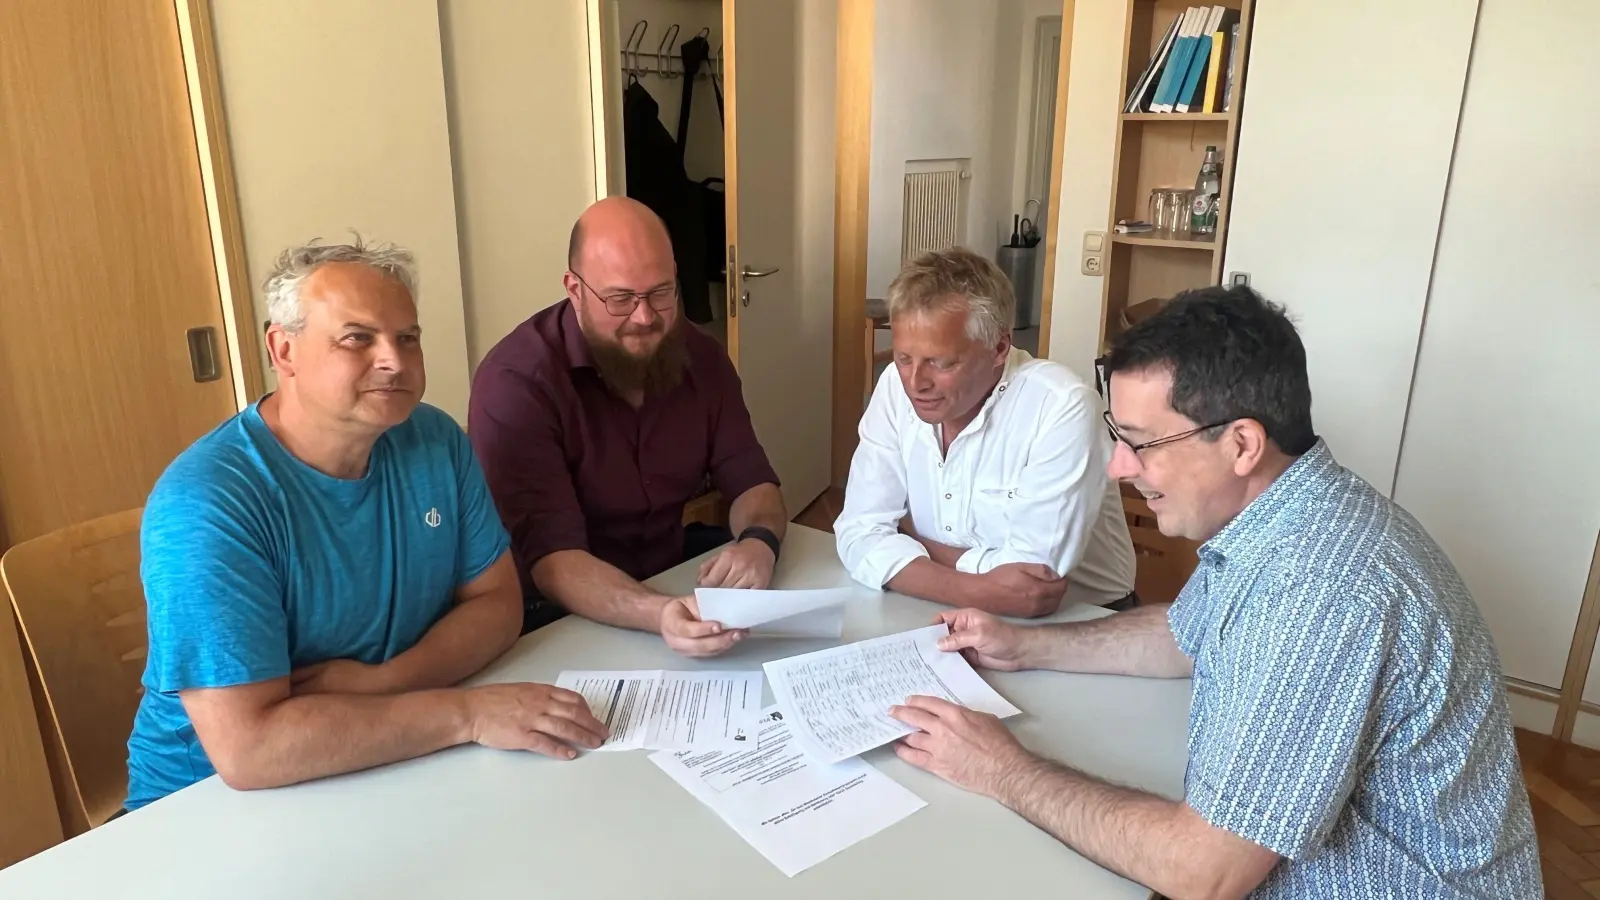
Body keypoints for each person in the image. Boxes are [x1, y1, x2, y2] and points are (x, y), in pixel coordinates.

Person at [887, 286, 1540, 898]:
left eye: (1141, 444)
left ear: (1241, 444)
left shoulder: (1318, 587)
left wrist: (1002, 768)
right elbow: (1186, 633)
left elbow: (1204, 873)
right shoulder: (1289, 514)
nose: (1119, 467)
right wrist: (1025, 646)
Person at [126, 238, 607, 811]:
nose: (394, 362)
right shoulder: (209, 504)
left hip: (389, 752)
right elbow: (252, 750)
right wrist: (469, 714)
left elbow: (498, 604)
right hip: (203, 806)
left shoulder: (435, 440)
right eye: (357, 338)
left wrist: (385, 682)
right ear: (284, 350)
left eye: (408, 338)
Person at [469, 197, 786, 656]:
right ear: (574, 289)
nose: (645, 317)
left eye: (661, 292)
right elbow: (552, 561)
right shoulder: (517, 383)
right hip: (555, 616)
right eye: (620, 299)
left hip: (668, 576)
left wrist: (760, 543)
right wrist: (660, 613)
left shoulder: (701, 357)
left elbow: (752, 480)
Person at [834, 247, 1136, 617]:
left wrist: (909, 540)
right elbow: (858, 532)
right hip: (940, 607)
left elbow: (1035, 579)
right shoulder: (896, 387)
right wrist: (977, 588)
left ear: (999, 348)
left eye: (941, 362)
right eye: (903, 358)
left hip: (1086, 619)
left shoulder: (1062, 406)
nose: (915, 383)